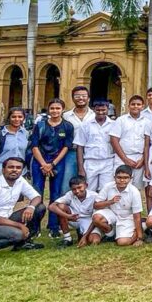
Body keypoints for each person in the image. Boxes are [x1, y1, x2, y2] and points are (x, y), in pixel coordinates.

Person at [0, 156, 46, 259]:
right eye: (11, 167)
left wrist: (31, 207)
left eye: (18, 168)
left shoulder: (20, 180)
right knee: (18, 234)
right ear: (3, 169)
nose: (15, 170)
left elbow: (37, 197)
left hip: (5, 219)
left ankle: (23, 244)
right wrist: (20, 226)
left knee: (39, 208)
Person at [29, 97, 74, 239]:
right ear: (48, 110)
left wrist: (53, 164)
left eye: (58, 108)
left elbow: (67, 146)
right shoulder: (40, 125)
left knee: (56, 194)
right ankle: (34, 227)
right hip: (39, 161)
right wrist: (44, 164)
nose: (55, 111)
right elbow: (34, 146)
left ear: (62, 110)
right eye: (52, 108)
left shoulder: (67, 126)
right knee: (37, 193)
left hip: (57, 161)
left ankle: (53, 226)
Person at [89, 165, 144, 246]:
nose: (122, 180)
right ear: (114, 177)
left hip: (126, 218)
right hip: (112, 214)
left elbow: (137, 215)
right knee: (96, 218)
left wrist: (140, 238)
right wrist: (110, 202)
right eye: (119, 177)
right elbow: (96, 205)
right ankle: (110, 234)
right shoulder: (108, 186)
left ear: (130, 179)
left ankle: (138, 230)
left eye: (125, 178)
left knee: (122, 242)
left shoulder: (134, 192)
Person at [109, 95, 150, 199]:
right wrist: (125, 159)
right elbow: (114, 140)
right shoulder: (121, 120)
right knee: (120, 185)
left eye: (138, 104)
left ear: (142, 106)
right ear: (128, 106)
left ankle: (134, 214)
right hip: (122, 157)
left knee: (135, 190)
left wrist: (143, 160)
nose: (135, 106)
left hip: (139, 159)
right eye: (133, 104)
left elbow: (147, 143)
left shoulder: (147, 122)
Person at [75, 99, 117, 192]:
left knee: (106, 190)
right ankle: (89, 207)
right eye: (98, 110)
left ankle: (102, 207)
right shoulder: (85, 125)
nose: (101, 112)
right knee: (89, 190)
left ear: (107, 109)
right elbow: (80, 147)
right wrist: (81, 168)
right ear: (94, 110)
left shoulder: (114, 125)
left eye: (103, 110)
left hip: (108, 161)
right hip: (90, 162)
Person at [48, 175, 98, 246]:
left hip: (88, 220)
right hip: (73, 218)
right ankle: (67, 238)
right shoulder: (70, 194)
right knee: (60, 206)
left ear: (86, 185)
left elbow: (96, 218)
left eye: (79, 187)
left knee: (93, 240)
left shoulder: (94, 196)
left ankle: (81, 233)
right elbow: (51, 206)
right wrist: (68, 216)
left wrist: (85, 236)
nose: (77, 191)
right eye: (74, 189)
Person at [63, 85, 95, 182]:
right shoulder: (65, 116)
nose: (81, 98)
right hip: (71, 152)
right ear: (72, 98)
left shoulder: (95, 115)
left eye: (84, 96)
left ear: (88, 98)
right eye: (77, 96)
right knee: (67, 181)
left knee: (89, 182)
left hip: (90, 153)